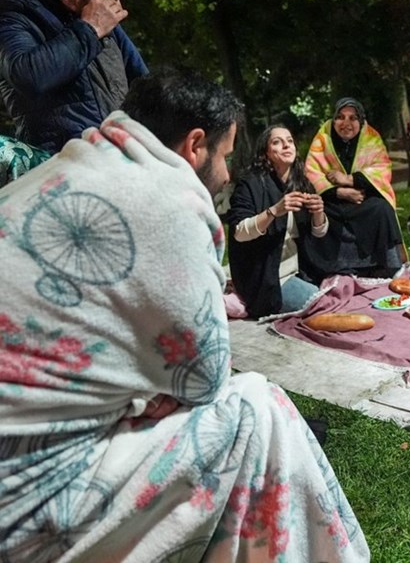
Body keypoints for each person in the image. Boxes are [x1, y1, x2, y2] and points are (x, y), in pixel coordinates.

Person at [0, 72, 369, 562]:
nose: (226, 172)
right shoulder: (170, 199)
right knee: (257, 409)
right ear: (195, 145)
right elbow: (205, 382)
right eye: (225, 154)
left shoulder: (64, 169)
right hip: (26, 502)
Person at [0, 0, 148, 154]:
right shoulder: (14, 17)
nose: (119, 8)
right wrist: (89, 29)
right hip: (57, 165)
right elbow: (29, 76)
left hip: (117, 159)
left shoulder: (107, 24)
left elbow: (144, 85)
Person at [226, 124, 329, 318]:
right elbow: (239, 233)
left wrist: (318, 213)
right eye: (277, 142)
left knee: (332, 294)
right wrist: (274, 211)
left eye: (289, 141)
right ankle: (244, 299)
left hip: (299, 269)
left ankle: (240, 301)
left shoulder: (301, 183)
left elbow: (318, 233)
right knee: (319, 303)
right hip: (267, 275)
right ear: (265, 153)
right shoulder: (251, 183)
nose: (286, 145)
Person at [305, 97, 404, 277]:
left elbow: (382, 170)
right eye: (340, 117)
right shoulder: (323, 137)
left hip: (362, 200)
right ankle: (326, 268)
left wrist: (349, 179)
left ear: (361, 120)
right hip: (332, 201)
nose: (346, 123)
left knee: (382, 209)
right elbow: (312, 173)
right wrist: (340, 192)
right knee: (313, 211)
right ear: (333, 119)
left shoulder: (371, 137)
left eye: (353, 118)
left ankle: (385, 266)